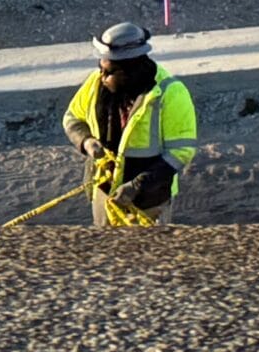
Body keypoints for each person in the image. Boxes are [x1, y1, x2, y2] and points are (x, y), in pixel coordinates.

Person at [62, 23, 197, 226]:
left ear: (128, 70)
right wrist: (87, 141)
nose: (101, 76)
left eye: (108, 72)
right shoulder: (96, 84)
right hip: (104, 193)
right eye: (100, 69)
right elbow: (72, 117)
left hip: (149, 201)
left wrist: (136, 186)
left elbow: (181, 152)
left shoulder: (170, 93)